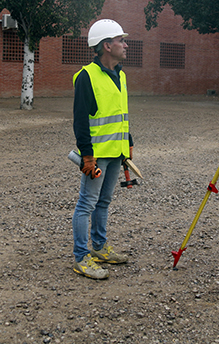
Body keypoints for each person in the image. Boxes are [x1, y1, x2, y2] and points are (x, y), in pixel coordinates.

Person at [71, 19, 133, 279]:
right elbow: (80, 120)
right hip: (96, 155)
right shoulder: (86, 76)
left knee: (104, 202)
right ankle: (81, 257)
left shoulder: (121, 74)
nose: (125, 45)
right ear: (107, 46)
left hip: (116, 152)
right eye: (120, 40)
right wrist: (86, 155)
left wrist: (128, 143)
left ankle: (99, 248)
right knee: (87, 203)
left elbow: (120, 114)